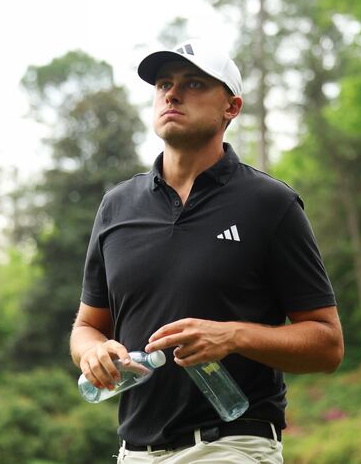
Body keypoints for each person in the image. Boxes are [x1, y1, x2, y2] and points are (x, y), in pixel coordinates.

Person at [70, 38, 343, 463]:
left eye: (194, 84)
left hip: (228, 445)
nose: (172, 94)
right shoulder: (117, 206)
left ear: (231, 107)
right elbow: (87, 326)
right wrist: (94, 352)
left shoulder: (269, 204)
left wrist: (232, 336)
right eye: (163, 84)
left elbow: (328, 344)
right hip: (133, 453)